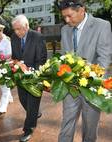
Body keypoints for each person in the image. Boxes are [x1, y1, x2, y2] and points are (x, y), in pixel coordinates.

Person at [58, 1, 112, 142]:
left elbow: (104, 58)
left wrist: (91, 80)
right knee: (66, 122)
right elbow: (64, 56)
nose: (67, 20)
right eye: (64, 17)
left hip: (92, 88)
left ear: (82, 10)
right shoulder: (65, 29)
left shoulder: (102, 26)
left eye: (69, 16)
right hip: (71, 87)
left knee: (89, 127)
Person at [11, 15, 47, 142]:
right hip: (20, 75)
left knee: (32, 103)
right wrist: (17, 63)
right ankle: (35, 113)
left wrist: (34, 74)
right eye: (14, 29)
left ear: (26, 26)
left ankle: (28, 129)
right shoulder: (14, 38)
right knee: (22, 99)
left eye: (19, 29)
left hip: (35, 76)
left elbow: (42, 58)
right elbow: (14, 56)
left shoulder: (37, 37)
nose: (16, 32)